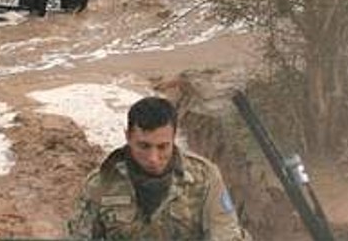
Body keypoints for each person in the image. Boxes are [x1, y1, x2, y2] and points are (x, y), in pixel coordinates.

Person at [66, 96, 248, 240]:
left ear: (174, 138)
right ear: (128, 137)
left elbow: (226, 234)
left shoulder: (204, 177)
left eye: (163, 147)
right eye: (144, 146)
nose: (153, 158)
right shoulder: (101, 184)